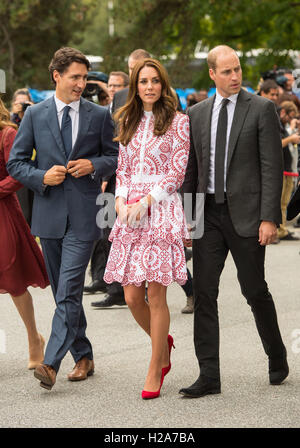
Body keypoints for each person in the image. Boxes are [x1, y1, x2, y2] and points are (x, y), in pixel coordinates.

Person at [179, 45, 288, 399]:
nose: (235, 76)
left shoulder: (261, 108)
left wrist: (269, 218)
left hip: (247, 216)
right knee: (204, 294)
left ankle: (277, 354)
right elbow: (192, 170)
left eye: (237, 69)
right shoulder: (195, 113)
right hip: (209, 215)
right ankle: (209, 374)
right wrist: (191, 223)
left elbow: (272, 167)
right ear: (212, 74)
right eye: (226, 71)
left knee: (254, 290)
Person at [7, 47, 119, 391]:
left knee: (69, 289)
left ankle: (51, 363)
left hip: (85, 216)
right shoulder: (35, 115)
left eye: (85, 77)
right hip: (49, 216)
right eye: (75, 77)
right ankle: (83, 354)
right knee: (63, 295)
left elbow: (114, 156)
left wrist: (93, 165)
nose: (81, 84)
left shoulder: (99, 115)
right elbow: (16, 163)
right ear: (56, 76)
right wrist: (42, 176)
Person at [103, 58, 190, 399]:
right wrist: (121, 200)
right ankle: (163, 345)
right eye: (143, 81)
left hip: (161, 209)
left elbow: (176, 172)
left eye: (155, 80)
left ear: (163, 84)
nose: (150, 86)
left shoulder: (178, 122)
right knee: (131, 295)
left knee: (156, 295)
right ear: (135, 87)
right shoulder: (127, 120)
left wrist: (146, 202)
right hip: (129, 214)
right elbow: (122, 168)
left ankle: (156, 367)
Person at [87, 49, 151, 308]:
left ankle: (183, 283)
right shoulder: (120, 98)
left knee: (145, 238)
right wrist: (105, 174)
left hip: (150, 181)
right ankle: (113, 288)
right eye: (132, 67)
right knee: (109, 231)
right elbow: (114, 141)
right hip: (118, 177)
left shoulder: (163, 97)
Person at [0, 97, 49, 370]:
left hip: (3, 212)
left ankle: (33, 338)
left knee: (12, 277)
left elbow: (18, 173)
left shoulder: (8, 133)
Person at [10, 88, 35, 226]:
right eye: (18, 103)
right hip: (18, 170)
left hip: (35, 169)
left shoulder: (36, 117)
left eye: (25, 102)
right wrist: (14, 115)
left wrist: (32, 111)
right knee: (23, 212)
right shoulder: (9, 122)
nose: (22, 106)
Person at [277, 101, 300, 241]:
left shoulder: (283, 127)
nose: (290, 120)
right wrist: (291, 137)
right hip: (282, 169)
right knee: (280, 202)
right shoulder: (276, 126)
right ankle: (279, 229)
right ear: (283, 112)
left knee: (285, 203)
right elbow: (277, 144)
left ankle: (283, 229)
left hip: (289, 169)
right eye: (289, 116)